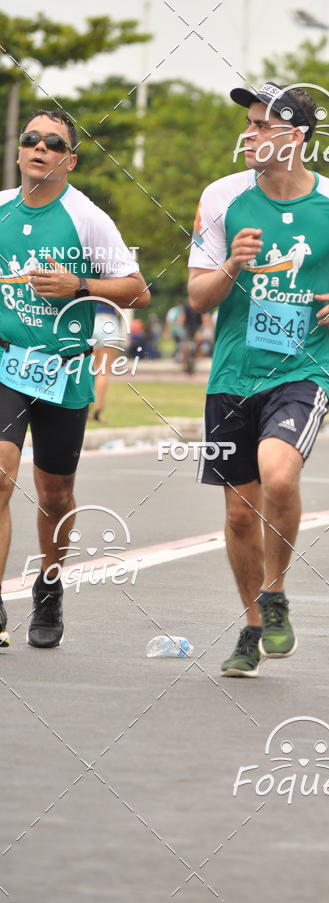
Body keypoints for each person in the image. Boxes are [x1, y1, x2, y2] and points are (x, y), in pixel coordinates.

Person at [188, 82, 329, 677]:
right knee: (237, 515)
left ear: (296, 136)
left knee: (280, 473)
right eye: (248, 124)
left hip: (303, 368)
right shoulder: (222, 198)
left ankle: (274, 591)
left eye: (261, 124)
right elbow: (199, 297)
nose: (249, 135)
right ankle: (253, 627)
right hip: (233, 372)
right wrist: (231, 264)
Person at [0, 110, 150, 650]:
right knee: (0, 473)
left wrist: (79, 284)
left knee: (55, 493)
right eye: (30, 140)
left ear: (70, 159)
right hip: (6, 363)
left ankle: (49, 586)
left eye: (53, 143)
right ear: (19, 152)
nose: (39, 148)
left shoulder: (86, 218)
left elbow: (138, 291)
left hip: (63, 370)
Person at [90, 302, 128, 422]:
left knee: (91, 369)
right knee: (104, 371)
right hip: (109, 322)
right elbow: (120, 309)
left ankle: (87, 410)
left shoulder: (90, 282)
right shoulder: (116, 282)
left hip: (92, 321)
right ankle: (99, 411)